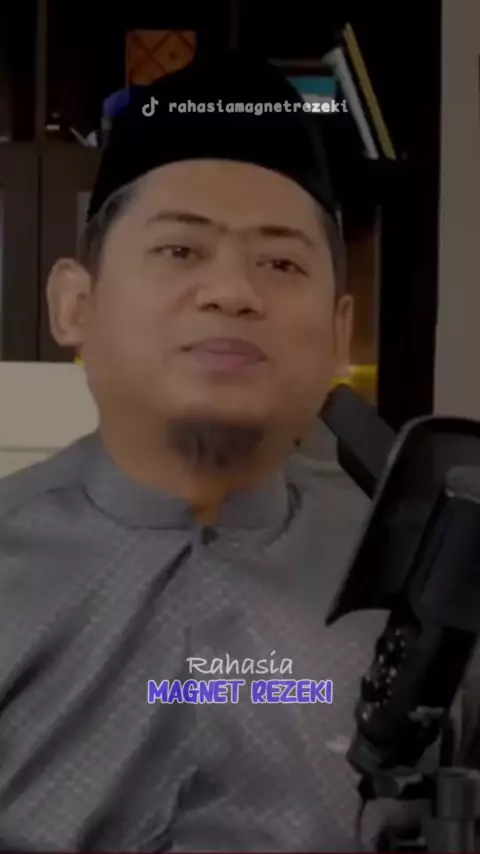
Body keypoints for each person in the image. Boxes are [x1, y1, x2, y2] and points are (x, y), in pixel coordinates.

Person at [0, 49, 476, 852]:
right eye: (180, 250)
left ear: (338, 333)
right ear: (75, 303)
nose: (232, 292)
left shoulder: (434, 589)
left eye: (280, 262)